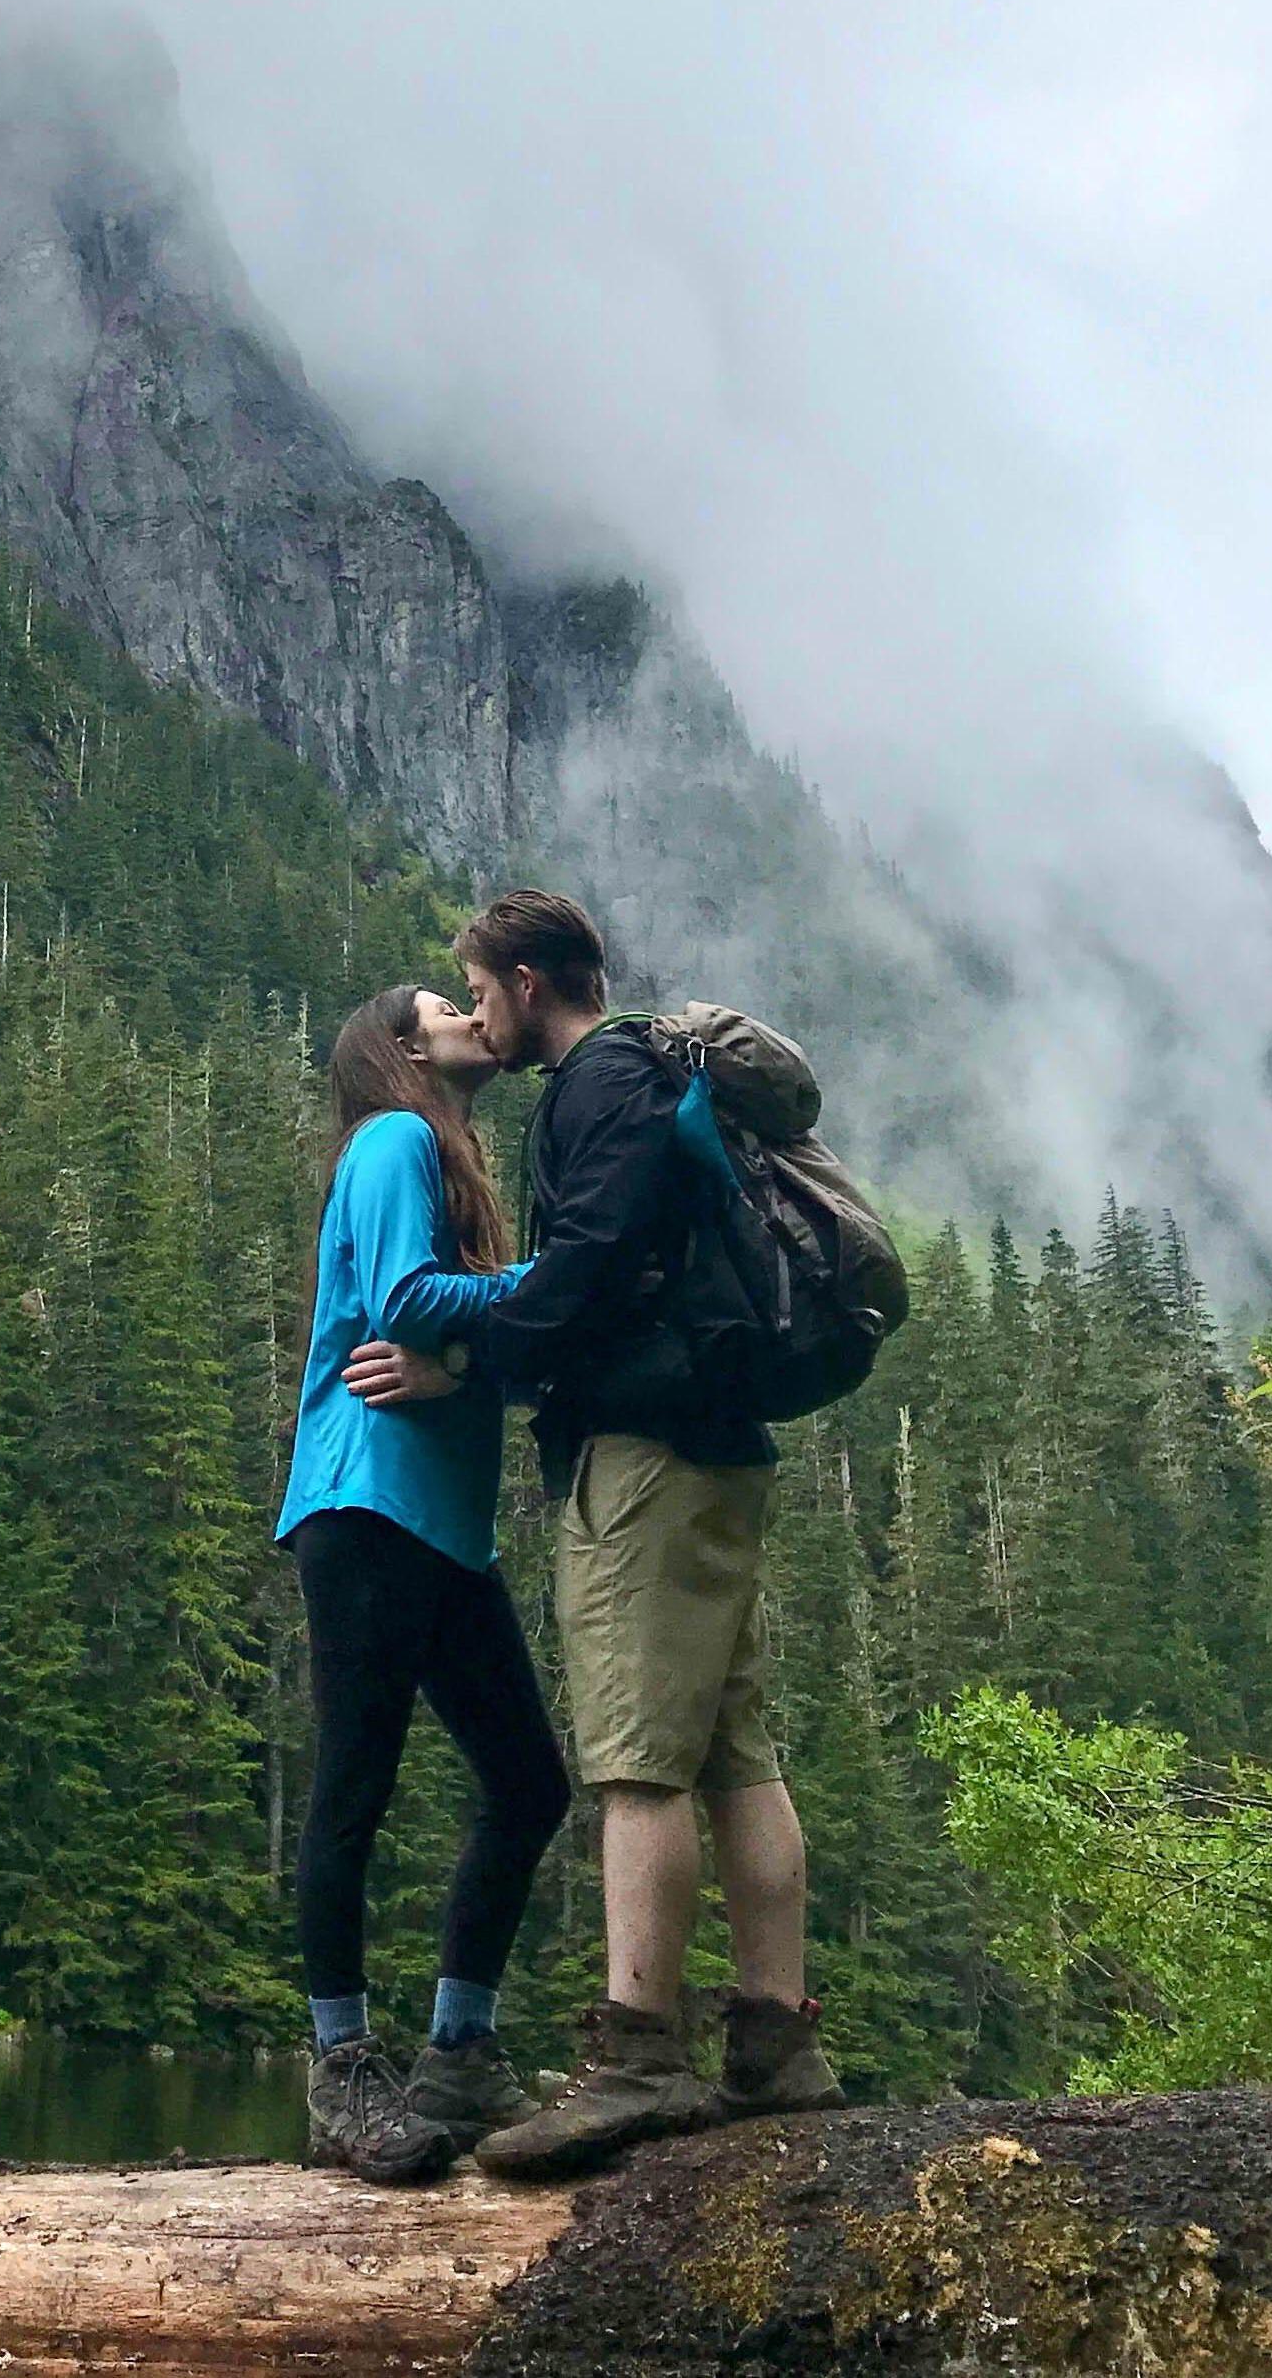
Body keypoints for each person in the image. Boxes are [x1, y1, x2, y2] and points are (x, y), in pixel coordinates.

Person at [383, 889, 845, 2178]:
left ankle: (637, 2053)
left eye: (476, 988)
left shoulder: (599, 1083)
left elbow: (584, 1269)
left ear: (527, 981)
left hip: (642, 1455)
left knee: (637, 1757)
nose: (473, 1011)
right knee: (731, 1749)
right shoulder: (647, 1073)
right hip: (713, 1445)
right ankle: (772, 2042)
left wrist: (467, 1355)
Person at [278, 983, 572, 2184]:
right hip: (363, 1502)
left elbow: (443, 1339)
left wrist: (467, 1359)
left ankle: (456, 2047)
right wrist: (555, 1282)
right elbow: (401, 1298)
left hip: (441, 1529)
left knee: (526, 1782)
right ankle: (341, 2068)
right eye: (448, 1004)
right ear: (405, 1046)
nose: (468, 1014)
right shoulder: (394, 1137)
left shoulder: (441, 1154)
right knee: (353, 1785)